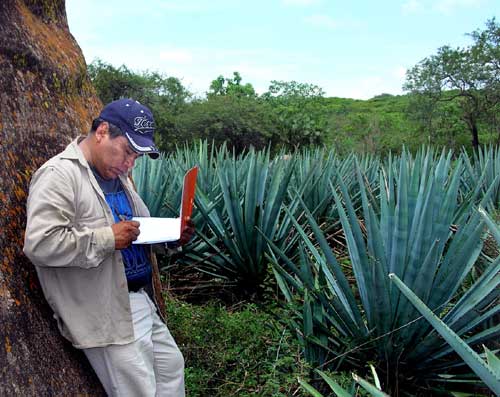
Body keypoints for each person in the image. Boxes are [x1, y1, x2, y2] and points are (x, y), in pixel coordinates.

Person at [23, 98, 191, 396]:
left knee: (171, 368)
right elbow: (40, 243)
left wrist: (169, 238)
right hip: (104, 309)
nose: (129, 163)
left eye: (136, 157)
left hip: (139, 301)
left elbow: (138, 231)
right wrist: (107, 239)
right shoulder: (59, 176)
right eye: (127, 151)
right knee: (137, 389)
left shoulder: (119, 177)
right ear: (102, 132)